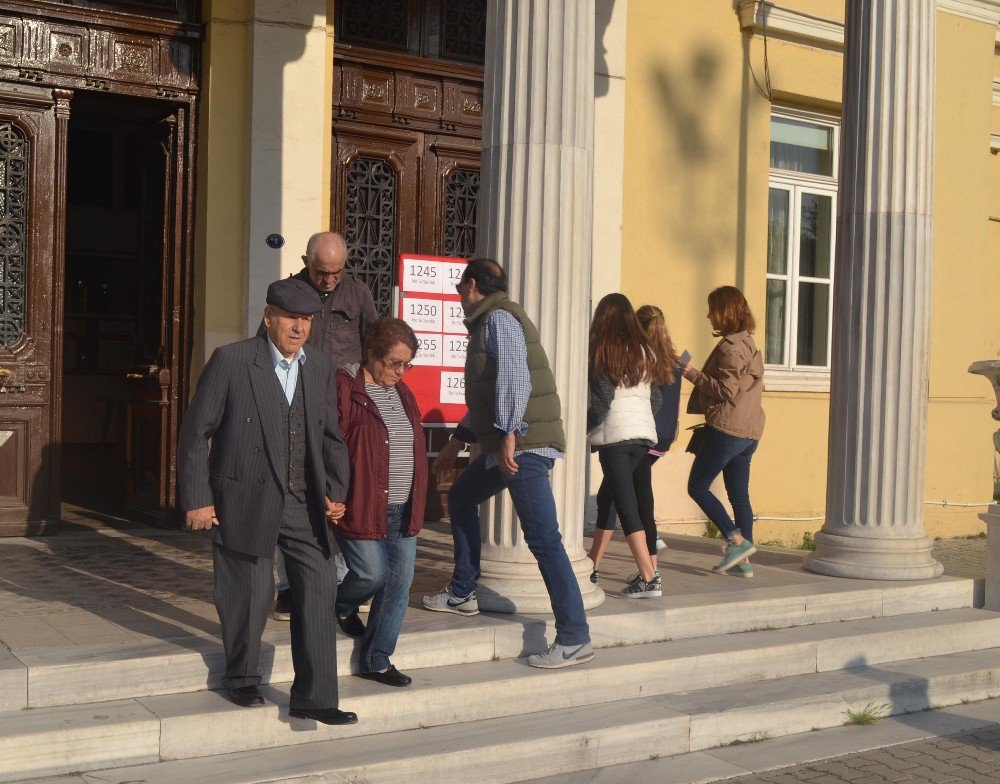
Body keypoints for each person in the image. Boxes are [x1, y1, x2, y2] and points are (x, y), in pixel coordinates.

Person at [177, 277, 357, 725]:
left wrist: (337, 488)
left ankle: (316, 698)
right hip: (244, 495)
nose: (299, 328)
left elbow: (330, 433)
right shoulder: (233, 361)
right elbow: (196, 434)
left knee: (319, 586)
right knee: (249, 593)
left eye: (306, 320)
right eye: (291, 319)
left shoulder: (318, 364)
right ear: (268, 317)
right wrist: (198, 499)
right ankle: (241, 678)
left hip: (302, 498)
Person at [423, 258, 594, 670]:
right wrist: (456, 443)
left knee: (544, 540)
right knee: (463, 498)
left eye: (460, 285)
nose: (457, 292)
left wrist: (511, 435)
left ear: (474, 284)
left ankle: (574, 637)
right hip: (510, 441)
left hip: (522, 447)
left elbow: (514, 380)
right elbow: (487, 397)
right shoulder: (488, 322)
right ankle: (463, 592)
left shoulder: (498, 319)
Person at [258, 231, 379, 621]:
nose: (329, 280)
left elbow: (372, 348)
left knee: (336, 494)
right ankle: (289, 587)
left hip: (340, 409)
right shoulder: (287, 292)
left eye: (336, 272)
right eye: (322, 272)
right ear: (307, 261)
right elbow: (265, 348)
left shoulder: (358, 294)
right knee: (292, 492)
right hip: (294, 405)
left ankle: (338, 582)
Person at [333, 317, 427, 688]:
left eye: (408, 364)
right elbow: (332, 444)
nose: (401, 372)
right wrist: (332, 490)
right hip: (360, 503)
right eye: (394, 363)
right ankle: (341, 604)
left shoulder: (403, 392)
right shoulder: (345, 388)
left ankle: (378, 659)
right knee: (373, 574)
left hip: (403, 508)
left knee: (398, 585)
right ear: (371, 355)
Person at [588, 303, 681, 584]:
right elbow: (657, 400)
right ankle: (595, 565)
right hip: (644, 439)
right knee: (627, 501)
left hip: (616, 439)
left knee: (625, 506)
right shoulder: (645, 354)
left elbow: (602, 403)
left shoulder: (605, 352)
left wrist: (584, 426)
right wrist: (640, 420)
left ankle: (648, 577)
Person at [682, 285, 765, 576]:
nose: (708, 315)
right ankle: (744, 563)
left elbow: (725, 390)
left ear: (725, 312)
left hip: (729, 428)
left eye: (712, 310)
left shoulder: (731, 348)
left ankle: (737, 541)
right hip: (750, 430)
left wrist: (690, 372)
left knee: (697, 486)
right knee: (739, 496)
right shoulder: (748, 343)